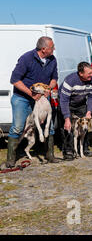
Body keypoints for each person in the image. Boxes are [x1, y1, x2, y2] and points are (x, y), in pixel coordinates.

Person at [1, 37, 58, 169]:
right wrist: (32, 94)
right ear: (43, 49)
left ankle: (50, 155)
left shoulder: (52, 60)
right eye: (52, 47)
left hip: (42, 98)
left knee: (49, 126)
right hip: (22, 98)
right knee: (18, 127)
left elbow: (54, 78)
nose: (53, 49)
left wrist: (49, 88)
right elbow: (14, 80)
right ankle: (10, 160)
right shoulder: (26, 58)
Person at [59, 62, 92, 160]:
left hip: (80, 103)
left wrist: (89, 111)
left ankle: (84, 148)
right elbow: (64, 101)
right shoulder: (70, 81)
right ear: (81, 73)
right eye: (89, 73)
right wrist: (67, 118)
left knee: (84, 125)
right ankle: (68, 150)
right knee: (67, 127)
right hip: (67, 103)